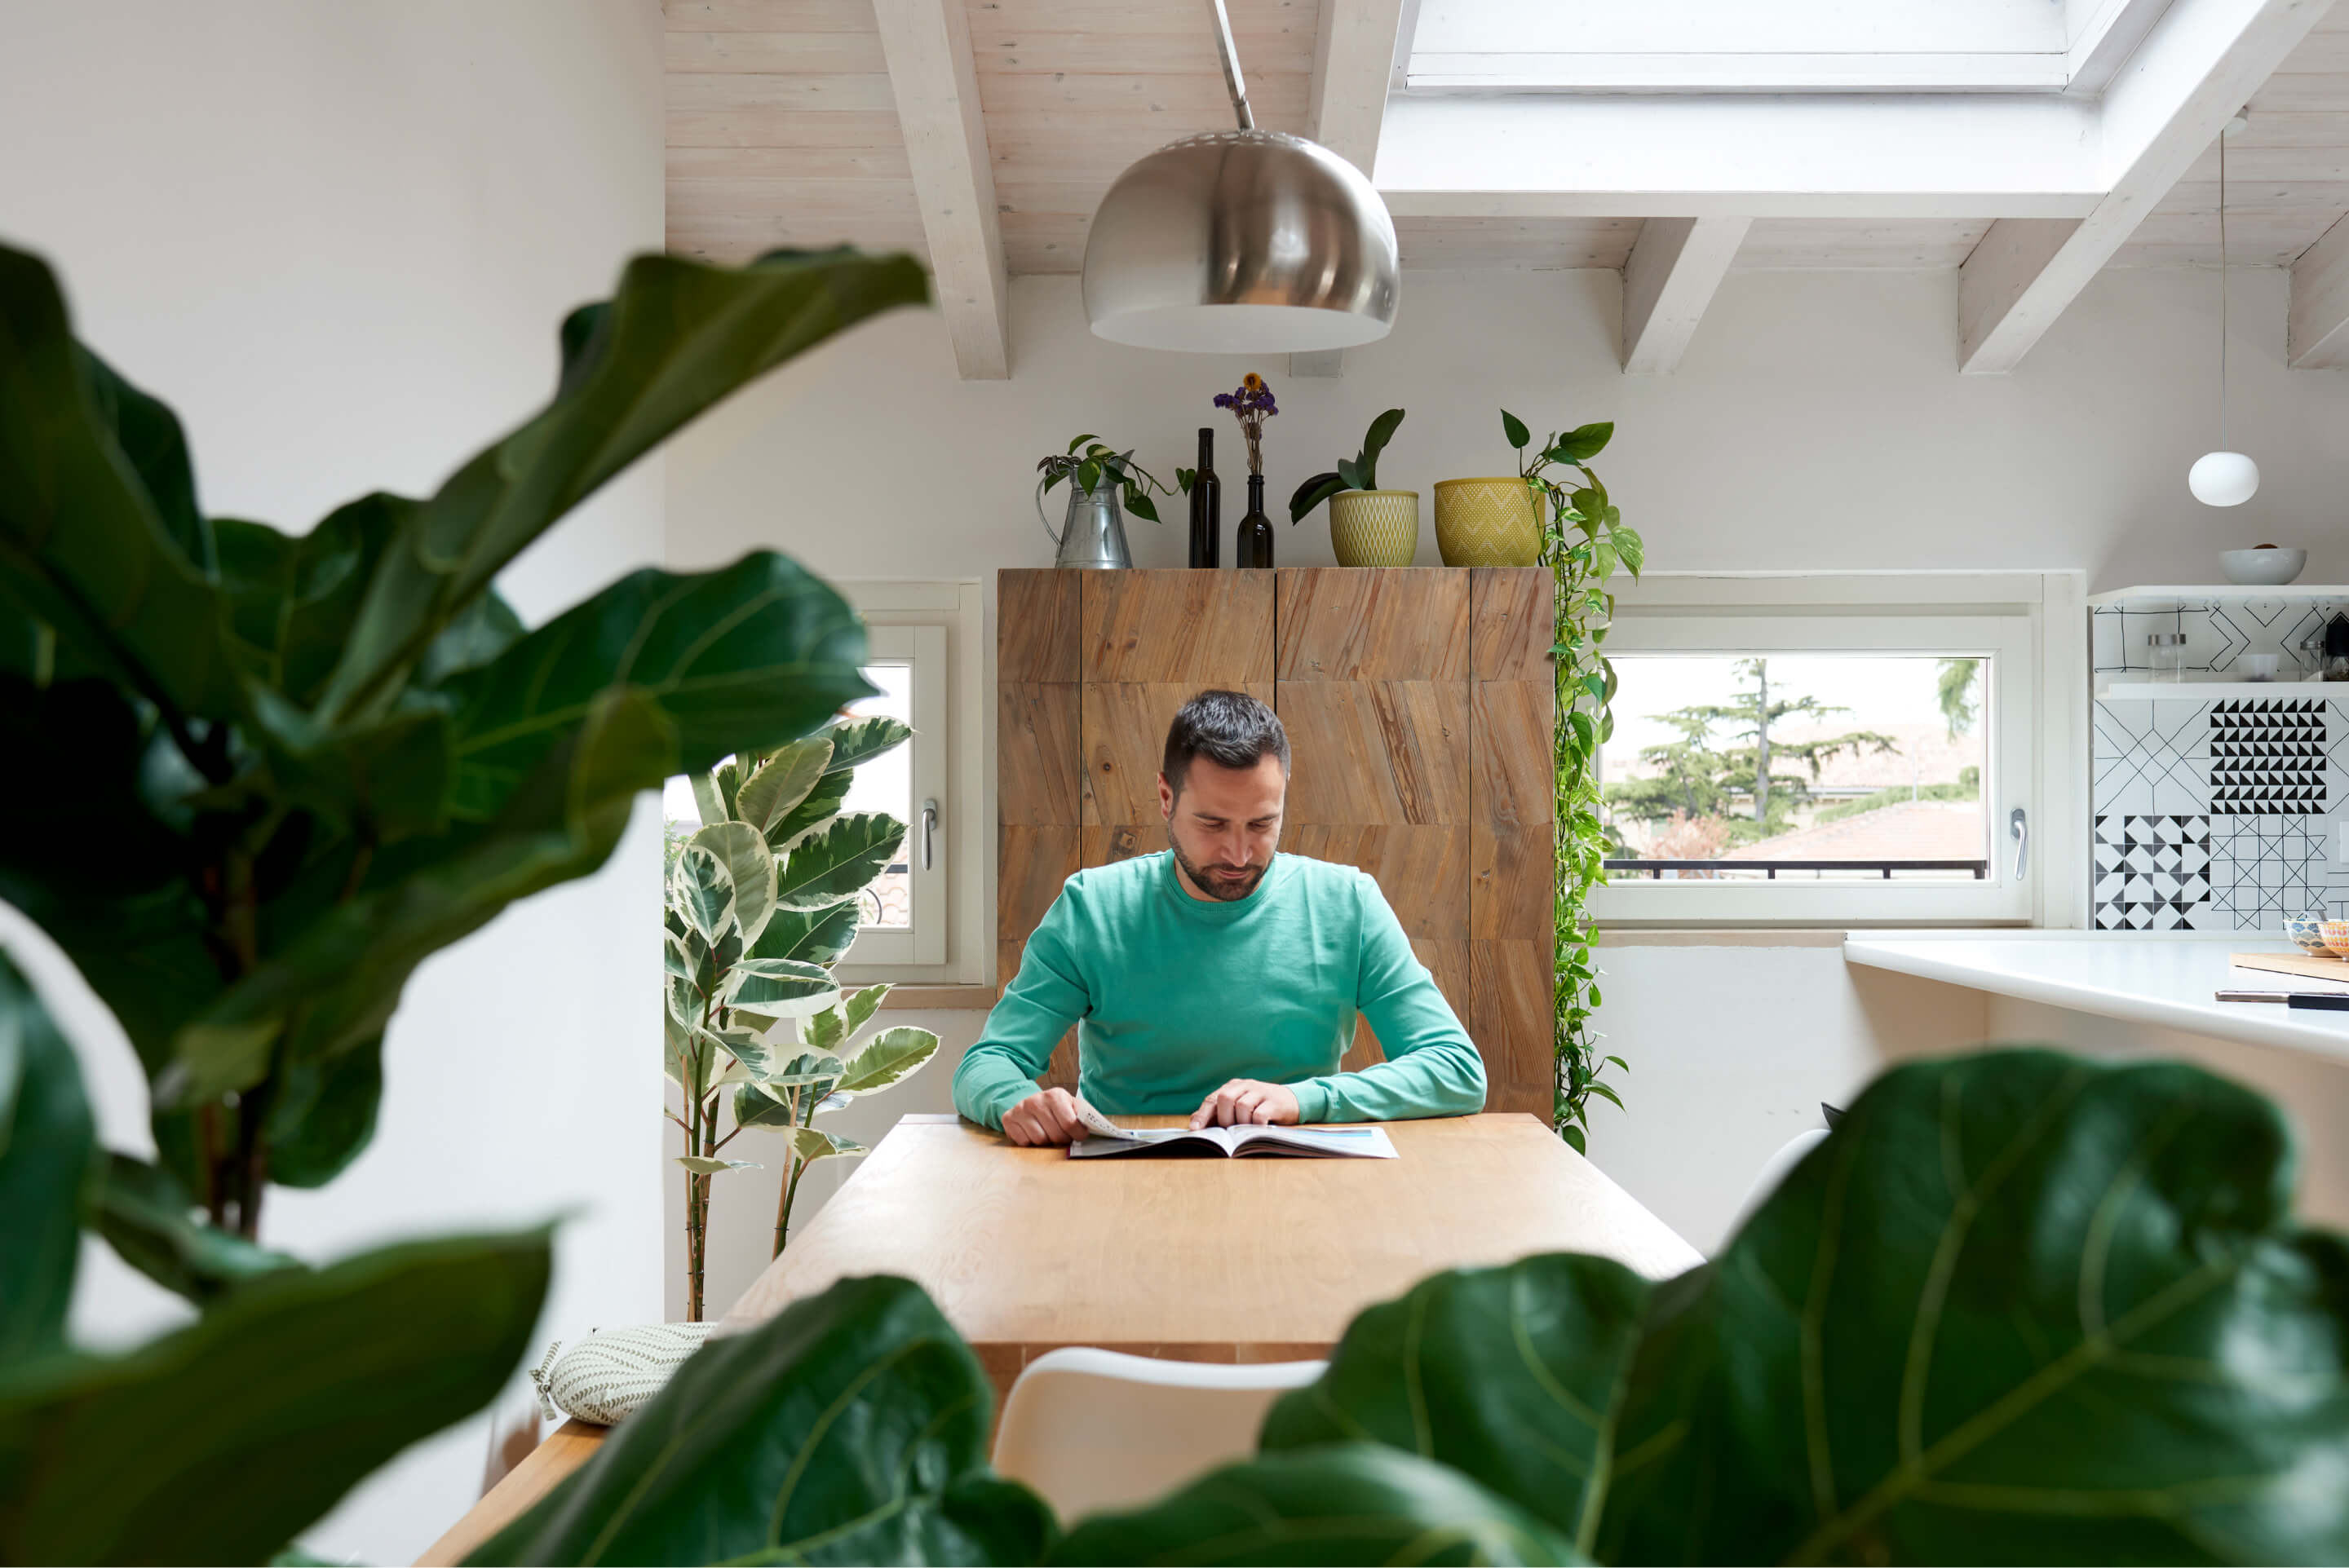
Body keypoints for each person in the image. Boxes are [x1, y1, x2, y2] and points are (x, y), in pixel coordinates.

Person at [953, 688, 1488, 1146]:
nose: (1238, 853)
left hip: (1299, 1179)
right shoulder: (1092, 907)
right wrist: (1016, 1100)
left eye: (1262, 823)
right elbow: (987, 1062)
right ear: (1166, 797)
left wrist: (1302, 1099)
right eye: (1212, 823)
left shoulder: (1347, 903)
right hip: (1120, 1181)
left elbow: (1456, 1069)